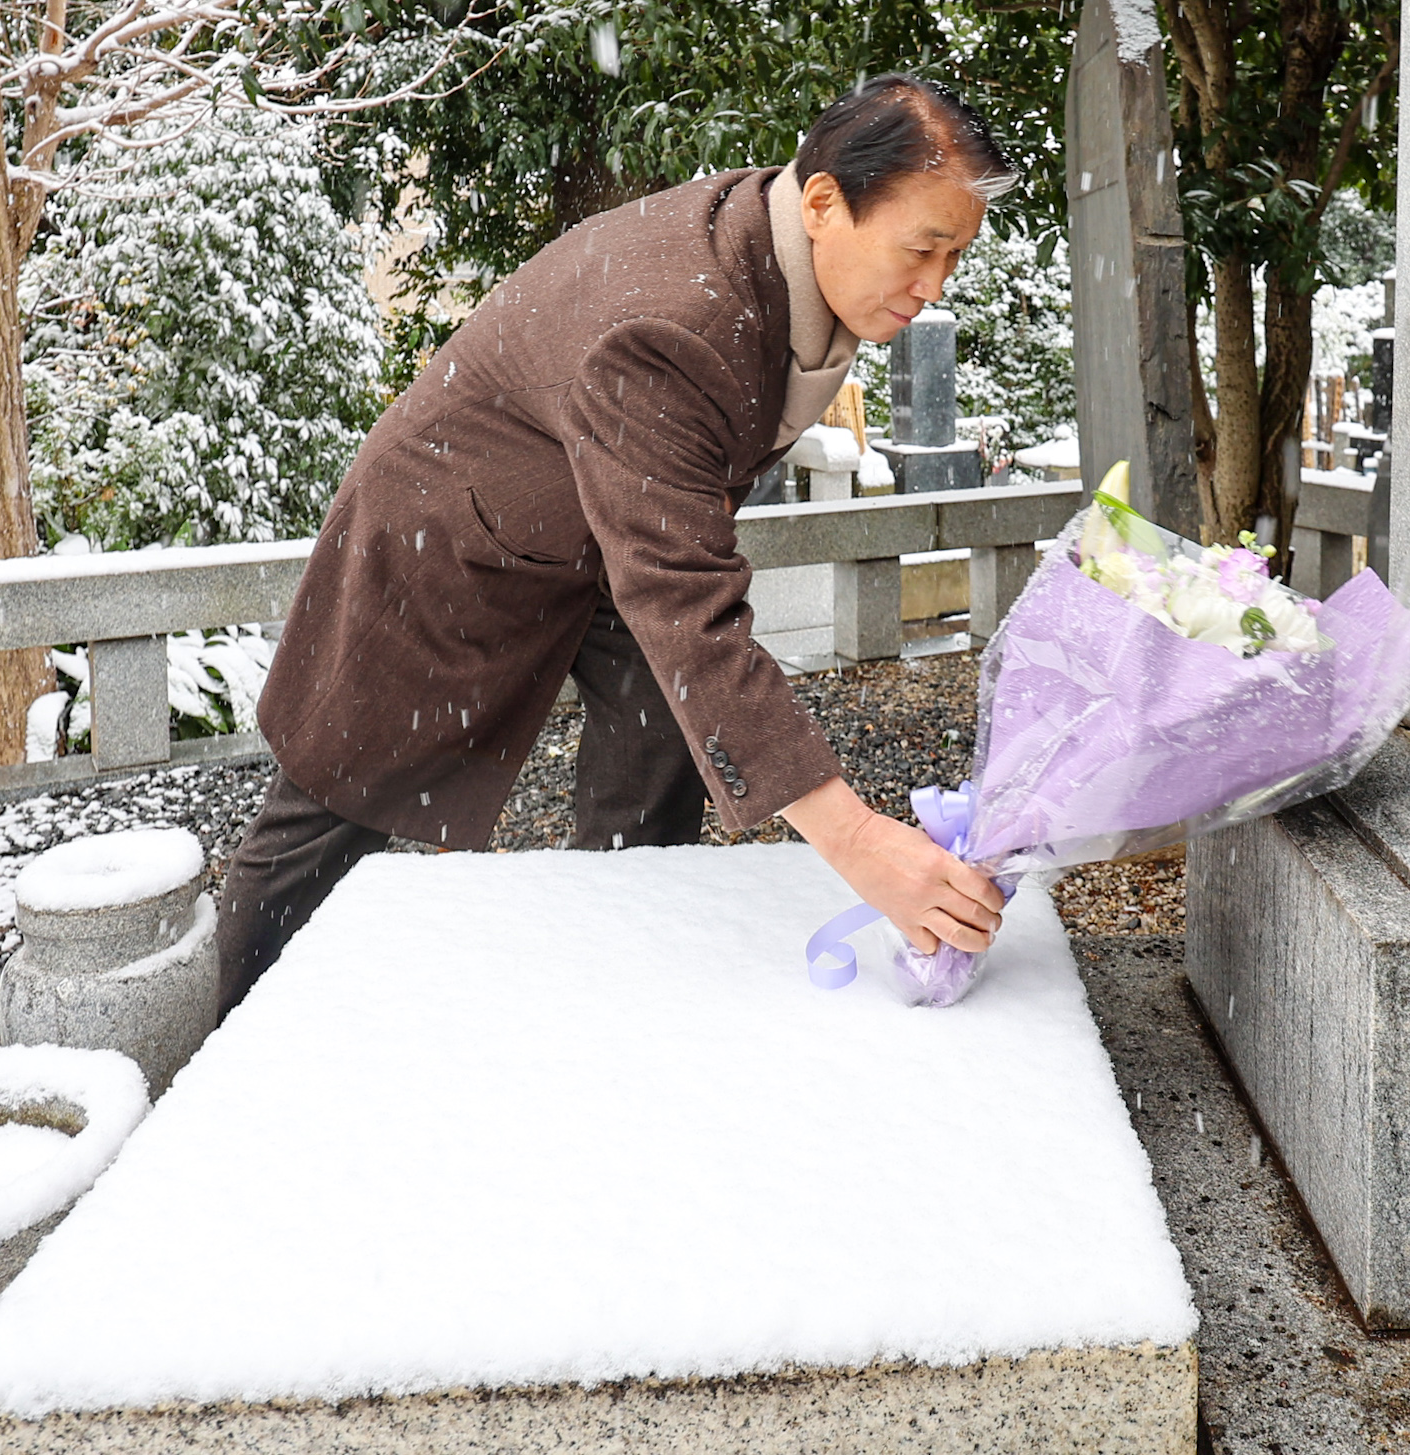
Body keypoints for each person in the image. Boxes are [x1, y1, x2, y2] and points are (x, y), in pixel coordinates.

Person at [212, 75, 1014, 1007]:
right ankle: (217, 1046)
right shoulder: (677, 322)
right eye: (922, 249)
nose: (933, 286)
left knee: (659, 753)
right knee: (336, 796)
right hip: (450, 526)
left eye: (954, 256)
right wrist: (858, 838)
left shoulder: (781, 235)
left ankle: (618, 994)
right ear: (826, 202)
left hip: (604, 527)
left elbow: (678, 585)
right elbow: (690, 602)